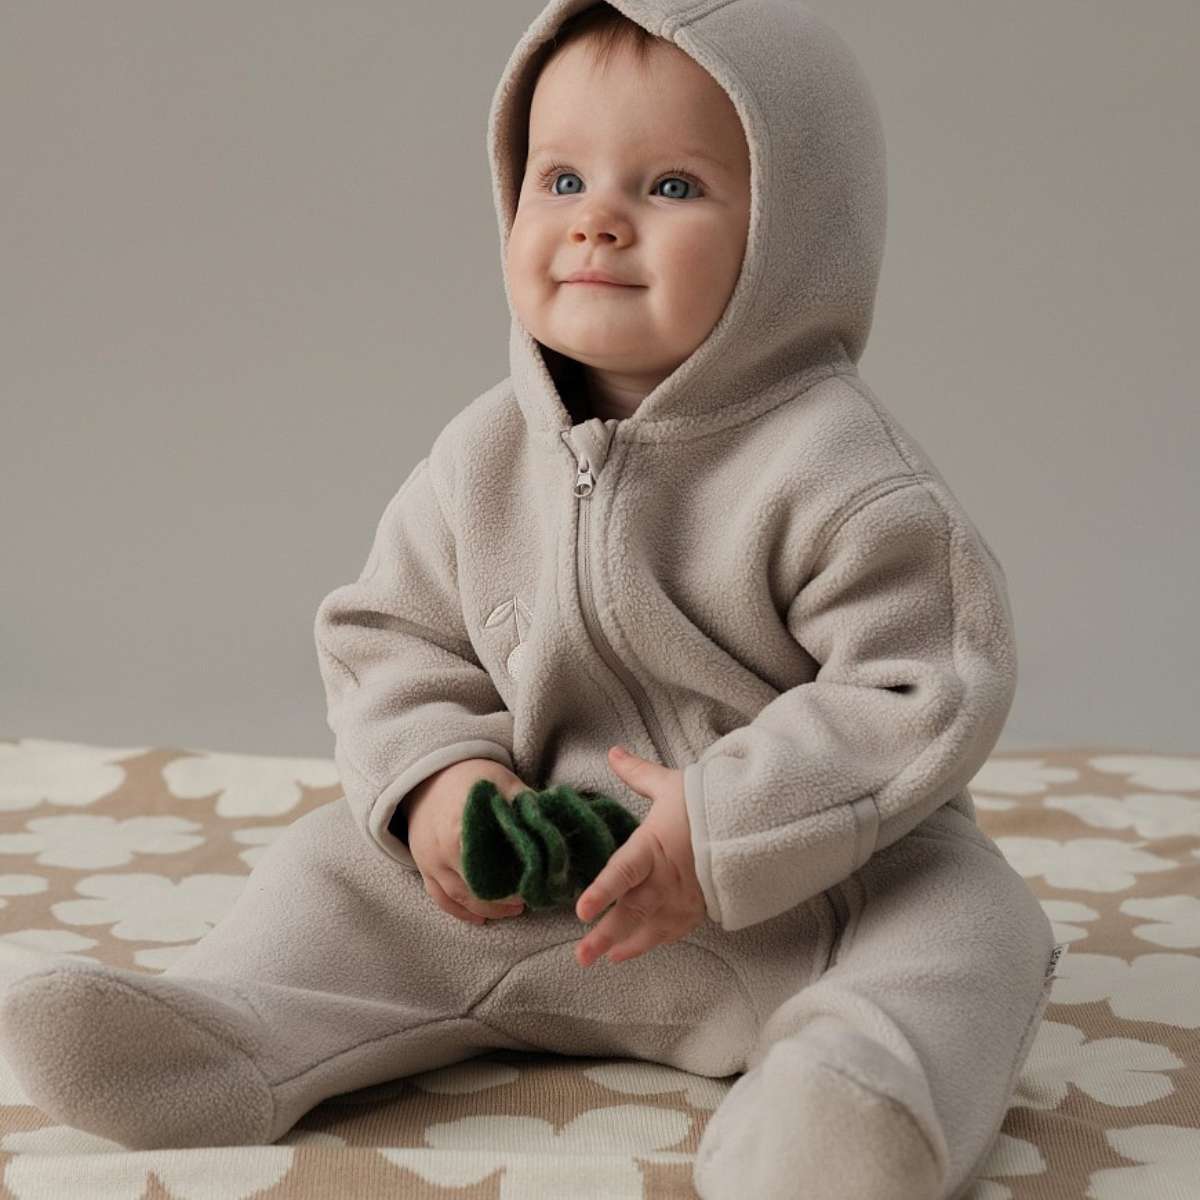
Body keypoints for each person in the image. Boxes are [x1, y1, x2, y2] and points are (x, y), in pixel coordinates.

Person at [0, 3, 1058, 1197]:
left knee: (973, 926)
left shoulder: (845, 474)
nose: (597, 219)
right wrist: (442, 784)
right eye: (561, 179)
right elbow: (391, 637)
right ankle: (226, 1035)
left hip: (814, 892)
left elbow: (922, 680)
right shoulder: (482, 456)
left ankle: (847, 1107)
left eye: (670, 186)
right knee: (332, 861)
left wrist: (727, 821)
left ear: (795, 230)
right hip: (543, 898)